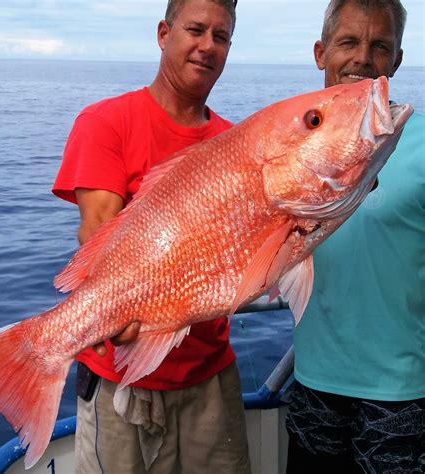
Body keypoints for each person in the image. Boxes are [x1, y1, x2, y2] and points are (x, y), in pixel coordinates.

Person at [52, 1, 251, 473]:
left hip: (210, 380)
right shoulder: (105, 122)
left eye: (220, 37)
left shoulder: (235, 143)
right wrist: (104, 313)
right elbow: (99, 234)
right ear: (163, 33)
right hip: (120, 383)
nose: (207, 46)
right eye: (196, 30)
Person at [286, 0, 425, 473]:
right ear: (321, 52)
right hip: (312, 385)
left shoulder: (423, 143)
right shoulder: (289, 145)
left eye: (380, 46)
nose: (363, 58)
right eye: (348, 42)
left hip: (402, 398)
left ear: (398, 60)